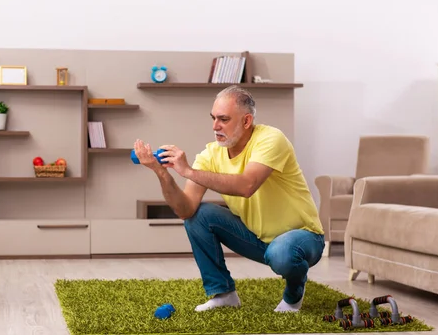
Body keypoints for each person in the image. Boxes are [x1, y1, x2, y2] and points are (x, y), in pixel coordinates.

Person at [132, 85, 324, 313]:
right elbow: (185, 209)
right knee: (198, 216)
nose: (215, 126)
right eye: (213, 118)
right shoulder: (211, 154)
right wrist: (161, 171)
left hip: (303, 239)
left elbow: (247, 185)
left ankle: (293, 296)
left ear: (246, 121)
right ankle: (223, 294)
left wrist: (189, 171)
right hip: (258, 239)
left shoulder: (271, 139)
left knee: (281, 253)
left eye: (223, 119)